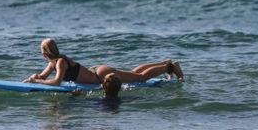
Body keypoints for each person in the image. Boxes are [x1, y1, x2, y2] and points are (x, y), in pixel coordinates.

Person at [23, 38, 184, 86]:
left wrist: (36, 80)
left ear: (44, 53)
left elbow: (57, 82)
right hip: (99, 71)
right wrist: (34, 78)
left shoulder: (60, 63)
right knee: (135, 72)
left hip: (101, 75)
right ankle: (164, 62)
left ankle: (170, 67)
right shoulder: (55, 61)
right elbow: (44, 76)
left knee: (140, 77)